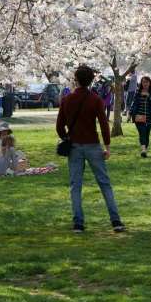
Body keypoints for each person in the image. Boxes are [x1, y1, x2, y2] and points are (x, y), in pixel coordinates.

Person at [56, 65, 125, 233]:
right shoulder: (95, 99)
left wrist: (66, 138)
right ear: (92, 80)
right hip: (93, 145)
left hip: (74, 146)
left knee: (75, 185)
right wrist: (107, 146)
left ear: (76, 79)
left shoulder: (67, 99)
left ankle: (78, 223)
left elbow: (59, 126)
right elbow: (103, 126)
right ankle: (115, 221)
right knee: (104, 183)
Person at [129, 76, 151, 158]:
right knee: (142, 133)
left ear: (149, 83)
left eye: (146, 82)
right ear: (141, 83)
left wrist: (148, 95)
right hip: (139, 116)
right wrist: (130, 114)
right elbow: (133, 103)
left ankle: (145, 149)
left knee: (147, 134)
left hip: (149, 116)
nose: (145, 83)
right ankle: (143, 150)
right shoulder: (138, 91)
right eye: (143, 82)